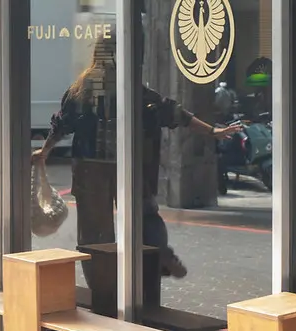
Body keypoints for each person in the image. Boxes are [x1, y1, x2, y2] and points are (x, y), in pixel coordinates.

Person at [32, 31, 241, 283]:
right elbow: (171, 110)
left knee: (94, 231)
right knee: (144, 216)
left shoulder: (84, 88)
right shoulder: (131, 87)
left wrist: (45, 151)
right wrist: (212, 131)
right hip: (129, 165)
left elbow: (62, 123)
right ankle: (158, 254)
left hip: (90, 167)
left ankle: (103, 285)